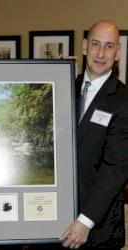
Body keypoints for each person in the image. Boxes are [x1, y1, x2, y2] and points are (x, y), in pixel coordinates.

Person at [60, 20, 128, 249]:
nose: (101, 53)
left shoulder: (123, 101)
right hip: (56, 223)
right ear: (84, 46)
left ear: (117, 52)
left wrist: (85, 221)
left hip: (98, 230)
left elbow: (116, 168)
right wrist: (55, 76)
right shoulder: (64, 87)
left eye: (109, 46)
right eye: (96, 44)